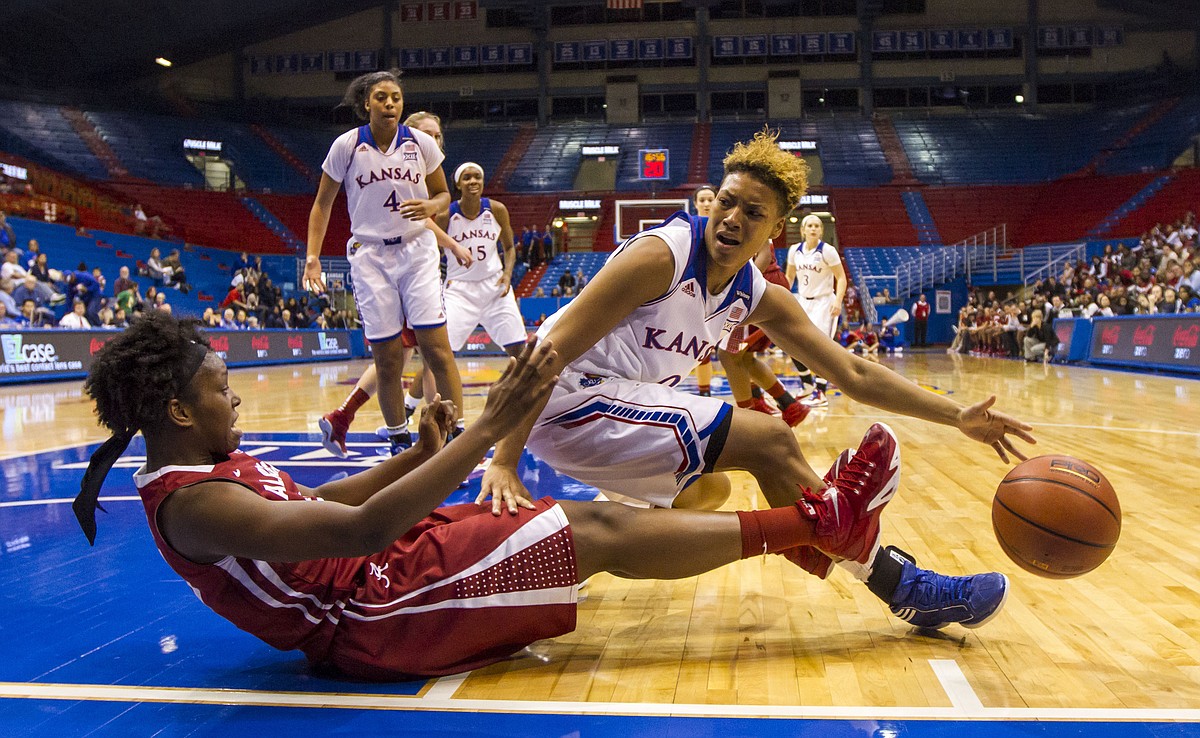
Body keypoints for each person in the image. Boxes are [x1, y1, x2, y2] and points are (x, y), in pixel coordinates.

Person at [75, 313, 900, 680]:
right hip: (375, 614)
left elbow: (326, 503)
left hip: (384, 576)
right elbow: (358, 532)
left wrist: (422, 454)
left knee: (591, 527)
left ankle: (811, 528)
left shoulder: (206, 464)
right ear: (180, 411)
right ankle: (816, 523)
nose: (236, 401)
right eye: (222, 390)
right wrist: (483, 434)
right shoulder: (192, 506)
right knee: (600, 529)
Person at [478, 130, 1032, 629]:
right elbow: (545, 352)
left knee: (705, 494)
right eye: (727, 201)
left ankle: (575, 558)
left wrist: (955, 414)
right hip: (563, 398)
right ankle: (898, 581)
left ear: (775, 229)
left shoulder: (752, 291)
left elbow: (853, 372)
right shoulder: (661, 256)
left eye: (753, 211)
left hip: (608, 406)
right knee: (767, 438)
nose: (732, 218)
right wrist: (504, 459)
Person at [316, 109, 470, 457]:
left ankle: (348, 415)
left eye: (438, 134)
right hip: (390, 263)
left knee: (411, 356)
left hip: (415, 265)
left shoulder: (432, 169)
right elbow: (410, 222)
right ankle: (434, 435)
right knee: (408, 357)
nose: (434, 139)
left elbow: (425, 218)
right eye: (427, 133)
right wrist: (455, 245)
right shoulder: (394, 164)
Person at [784, 214, 846, 408]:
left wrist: (837, 301)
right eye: (809, 225)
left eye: (816, 226)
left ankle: (820, 392)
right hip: (803, 301)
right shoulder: (794, 250)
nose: (813, 229)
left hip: (824, 302)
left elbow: (842, 278)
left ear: (821, 230)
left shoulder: (828, 251)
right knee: (791, 342)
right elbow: (789, 277)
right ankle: (807, 386)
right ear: (803, 230)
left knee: (820, 349)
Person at [689, 186, 719, 397]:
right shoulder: (689, 227)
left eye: (711, 199)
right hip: (693, 291)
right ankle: (704, 392)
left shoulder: (724, 225)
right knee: (698, 348)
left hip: (720, 292)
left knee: (734, 351)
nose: (707, 204)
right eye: (703, 200)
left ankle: (753, 396)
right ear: (696, 204)